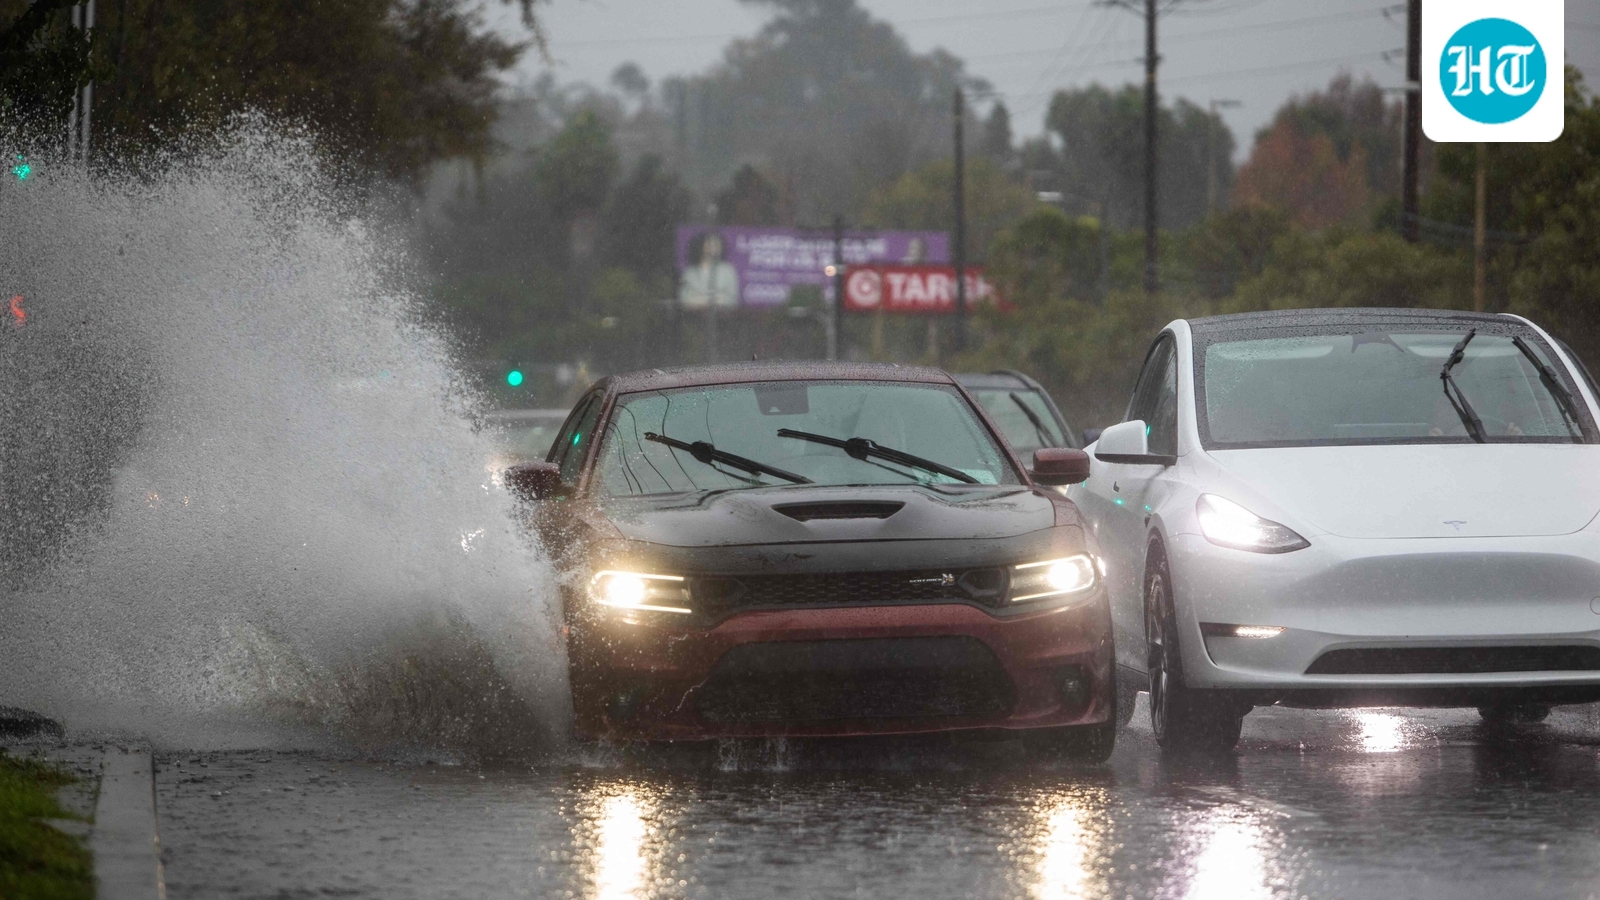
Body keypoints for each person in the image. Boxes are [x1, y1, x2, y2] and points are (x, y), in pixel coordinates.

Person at [679, 231, 740, 309]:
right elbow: (685, 300)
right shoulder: (689, 273)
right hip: (694, 318)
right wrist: (714, 299)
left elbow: (732, 300)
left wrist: (700, 299)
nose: (714, 247)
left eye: (717, 244)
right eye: (710, 243)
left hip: (722, 318)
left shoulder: (728, 271)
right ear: (701, 245)